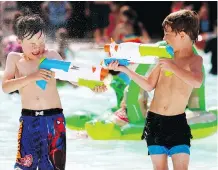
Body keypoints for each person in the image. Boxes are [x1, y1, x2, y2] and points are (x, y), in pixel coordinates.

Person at [2, 14, 107, 170]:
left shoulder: (51, 56)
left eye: (41, 42)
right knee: (25, 166)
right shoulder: (15, 59)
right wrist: (32, 77)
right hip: (29, 120)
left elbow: (71, 78)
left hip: (54, 119)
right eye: (32, 44)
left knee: (54, 167)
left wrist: (91, 85)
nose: (37, 48)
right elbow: (6, 87)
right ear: (19, 41)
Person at [107, 10, 203, 170]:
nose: (164, 38)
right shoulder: (164, 57)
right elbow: (149, 85)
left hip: (177, 124)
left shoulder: (194, 60)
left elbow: (197, 81)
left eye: (167, 34)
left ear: (182, 35)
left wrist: (173, 67)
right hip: (155, 122)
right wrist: (125, 70)